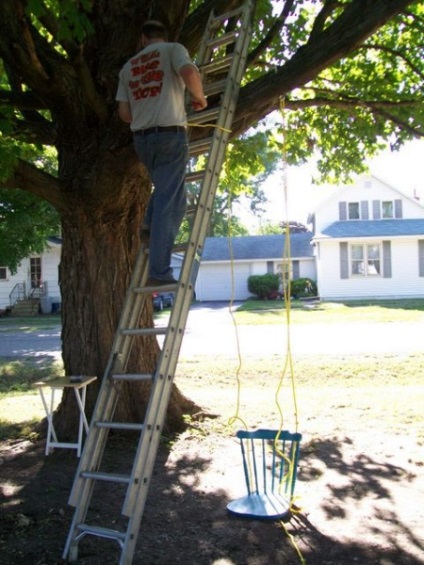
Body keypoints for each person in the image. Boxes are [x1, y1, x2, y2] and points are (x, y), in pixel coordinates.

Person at [116, 20, 207, 286]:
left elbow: (124, 113)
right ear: (161, 36)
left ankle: (147, 223)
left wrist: (145, 110)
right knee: (172, 203)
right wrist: (199, 97)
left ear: (143, 38)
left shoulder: (128, 67)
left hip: (142, 141)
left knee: (169, 195)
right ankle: (159, 272)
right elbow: (189, 72)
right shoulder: (173, 49)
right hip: (169, 134)